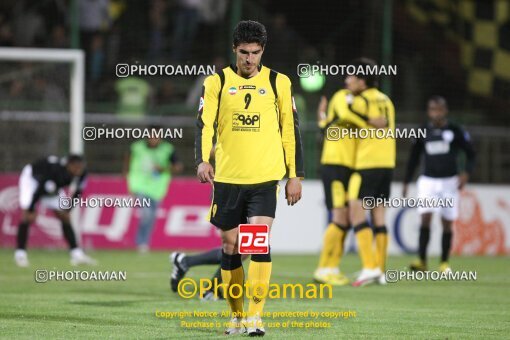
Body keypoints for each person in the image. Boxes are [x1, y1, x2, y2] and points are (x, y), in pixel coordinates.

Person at [195, 20, 304, 336]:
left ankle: (256, 317)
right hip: (227, 179)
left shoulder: (278, 82)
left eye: (255, 53)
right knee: (230, 246)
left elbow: (289, 131)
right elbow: (204, 125)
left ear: (262, 51)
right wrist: (203, 160)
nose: (249, 59)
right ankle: (236, 316)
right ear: (234, 50)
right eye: (244, 52)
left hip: (264, 179)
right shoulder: (216, 82)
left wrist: (294, 175)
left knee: (257, 242)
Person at [314, 88, 387, 286]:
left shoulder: (358, 103)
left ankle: (332, 267)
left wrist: (322, 117)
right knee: (339, 217)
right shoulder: (342, 96)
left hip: (349, 167)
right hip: (335, 164)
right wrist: (373, 122)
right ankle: (323, 269)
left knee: (345, 219)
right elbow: (344, 115)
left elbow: (326, 123)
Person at [403, 96, 475, 272]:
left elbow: (471, 153)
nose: (435, 113)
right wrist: (406, 181)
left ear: (445, 111)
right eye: (432, 110)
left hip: (450, 182)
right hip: (428, 181)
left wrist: (466, 172)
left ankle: (444, 262)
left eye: (439, 109)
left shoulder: (455, 130)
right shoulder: (422, 131)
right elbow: (413, 158)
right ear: (429, 112)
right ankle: (422, 261)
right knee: (425, 217)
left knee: (447, 221)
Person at [341, 58, 396, 287]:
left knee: (356, 211)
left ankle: (369, 267)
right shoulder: (387, 99)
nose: (347, 81)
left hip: (369, 163)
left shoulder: (362, 99)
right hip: (387, 163)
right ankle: (380, 270)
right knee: (379, 216)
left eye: (351, 77)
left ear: (362, 81)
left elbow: (380, 123)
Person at [14, 154, 95, 267]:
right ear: (68, 166)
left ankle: (77, 255)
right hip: (32, 180)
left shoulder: (82, 173)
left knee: (65, 217)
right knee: (28, 216)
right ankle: (20, 254)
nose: (78, 170)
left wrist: (68, 209)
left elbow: (78, 192)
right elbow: (40, 189)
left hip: (51, 186)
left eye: (80, 167)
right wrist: (32, 208)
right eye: (75, 167)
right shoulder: (55, 172)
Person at [123, 125, 183, 252]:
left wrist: (164, 169)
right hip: (139, 185)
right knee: (146, 214)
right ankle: (141, 242)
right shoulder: (136, 147)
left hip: (157, 188)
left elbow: (178, 167)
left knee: (151, 216)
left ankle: (144, 242)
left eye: (157, 136)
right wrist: (128, 181)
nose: (154, 139)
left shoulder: (168, 149)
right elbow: (127, 163)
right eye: (152, 136)